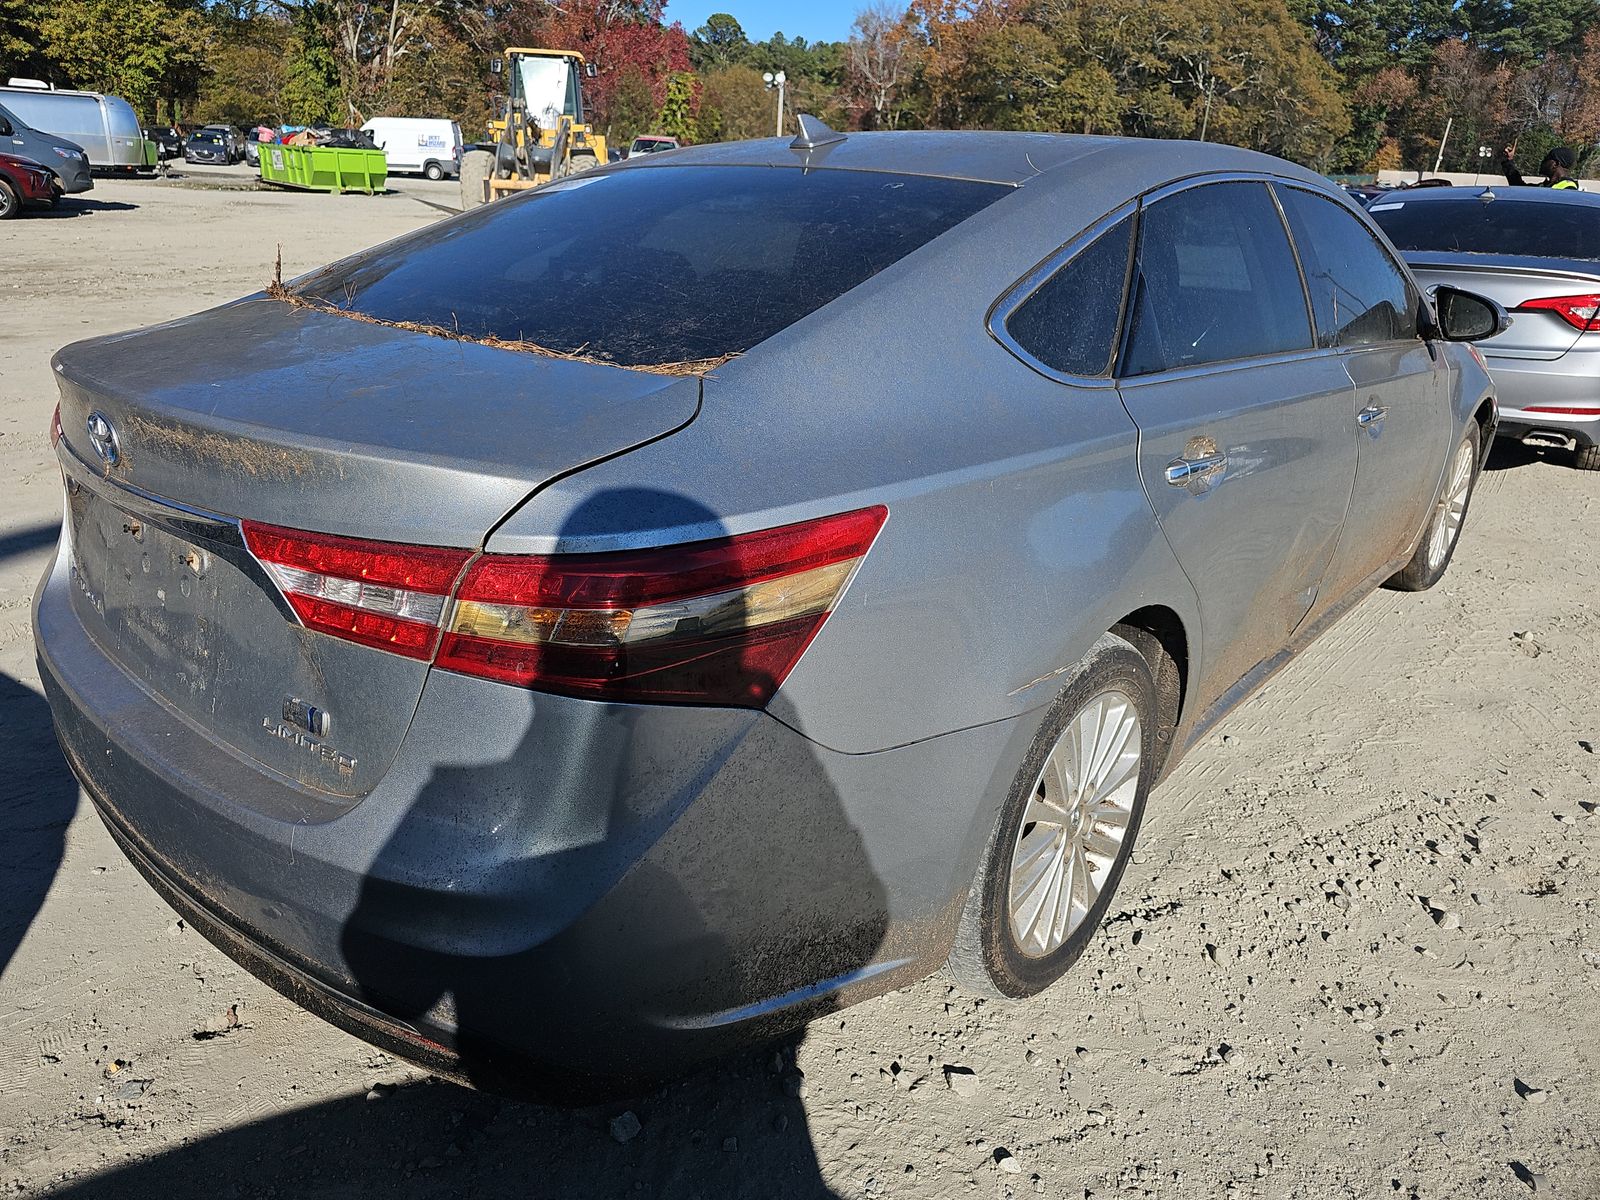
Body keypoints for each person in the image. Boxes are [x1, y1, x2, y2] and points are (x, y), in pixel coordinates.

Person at [1500, 144, 1581, 189]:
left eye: (1547, 159)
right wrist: (1509, 160)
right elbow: (1519, 188)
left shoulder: (1569, 189)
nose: (1543, 161)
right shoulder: (1546, 186)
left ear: (1555, 164)